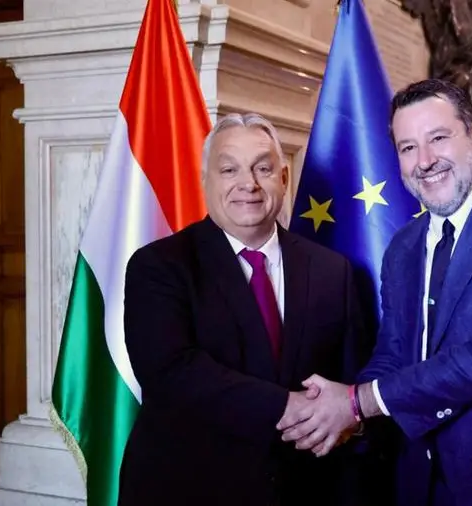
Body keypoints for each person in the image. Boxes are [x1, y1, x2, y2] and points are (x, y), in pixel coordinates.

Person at [277, 79, 472, 506]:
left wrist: (356, 402)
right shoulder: (403, 247)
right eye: (408, 147)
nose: (425, 161)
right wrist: (341, 415)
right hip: (423, 481)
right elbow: (394, 354)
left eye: (438, 138)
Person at [118, 112, 371, 506]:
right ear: (205, 180)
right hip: (189, 488)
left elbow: (353, 374)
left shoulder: (332, 270)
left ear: (283, 178)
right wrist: (286, 406)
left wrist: (349, 418)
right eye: (229, 169)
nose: (248, 184)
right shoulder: (160, 265)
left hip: (304, 491)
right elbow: (169, 371)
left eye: (263, 169)